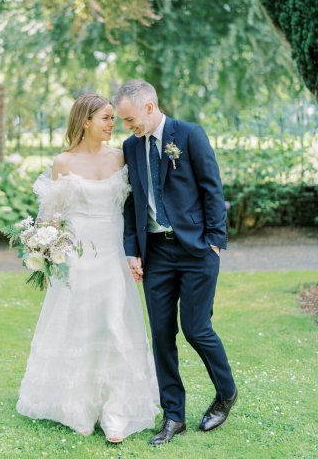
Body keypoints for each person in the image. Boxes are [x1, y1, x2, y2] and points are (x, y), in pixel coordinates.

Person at [16, 93, 159, 443]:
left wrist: (135, 252)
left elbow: (134, 210)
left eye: (114, 118)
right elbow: (51, 216)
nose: (113, 125)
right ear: (86, 121)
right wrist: (45, 246)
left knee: (114, 326)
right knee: (78, 326)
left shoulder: (122, 158)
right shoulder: (63, 162)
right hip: (77, 256)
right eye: (107, 118)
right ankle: (77, 407)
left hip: (112, 252)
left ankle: (116, 412)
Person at [115, 79, 237, 446]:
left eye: (130, 118)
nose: (127, 126)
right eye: (122, 121)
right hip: (157, 253)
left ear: (150, 107)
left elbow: (212, 189)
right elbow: (131, 202)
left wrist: (214, 242)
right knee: (162, 334)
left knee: (196, 328)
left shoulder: (189, 135)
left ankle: (226, 392)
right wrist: (132, 249)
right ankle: (173, 416)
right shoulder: (131, 147)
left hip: (197, 249)